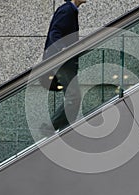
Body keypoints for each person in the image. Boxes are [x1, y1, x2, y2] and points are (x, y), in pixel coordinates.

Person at [41, 0, 87, 133]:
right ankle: (51, 127)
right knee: (74, 96)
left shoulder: (71, 11)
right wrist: (64, 50)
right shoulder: (67, 10)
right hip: (62, 62)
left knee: (73, 96)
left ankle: (64, 130)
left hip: (65, 61)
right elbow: (55, 32)